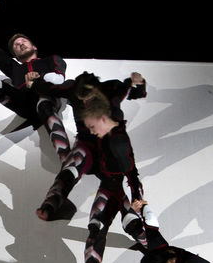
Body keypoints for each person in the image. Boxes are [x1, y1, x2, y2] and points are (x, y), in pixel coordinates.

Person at [74, 92, 154, 263]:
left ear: (102, 119)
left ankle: (155, 251)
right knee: (95, 228)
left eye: (93, 127)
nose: (92, 131)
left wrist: (137, 201)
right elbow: (115, 100)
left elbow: (132, 174)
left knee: (133, 226)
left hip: (120, 189)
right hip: (109, 186)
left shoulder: (118, 142)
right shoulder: (108, 124)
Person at [37, 71, 146, 220]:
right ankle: (51, 202)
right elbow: (48, 89)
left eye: (89, 99)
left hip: (110, 149)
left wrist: (139, 83)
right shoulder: (73, 89)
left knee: (116, 184)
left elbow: (134, 92)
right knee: (71, 168)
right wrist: (34, 82)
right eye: (81, 100)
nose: (86, 104)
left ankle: (137, 217)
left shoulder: (111, 89)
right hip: (86, 145)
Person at [0, 14, 71, 166]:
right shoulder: (15, 68)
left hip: (47, 101)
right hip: (25, 105)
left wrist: (39, 76)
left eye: (23, 41)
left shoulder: (51, 60)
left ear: (34, 47)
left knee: (44, 102)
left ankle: (66, 157)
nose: (20, 44)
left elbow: (60, 80)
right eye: (16, 45)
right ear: (16, 57)